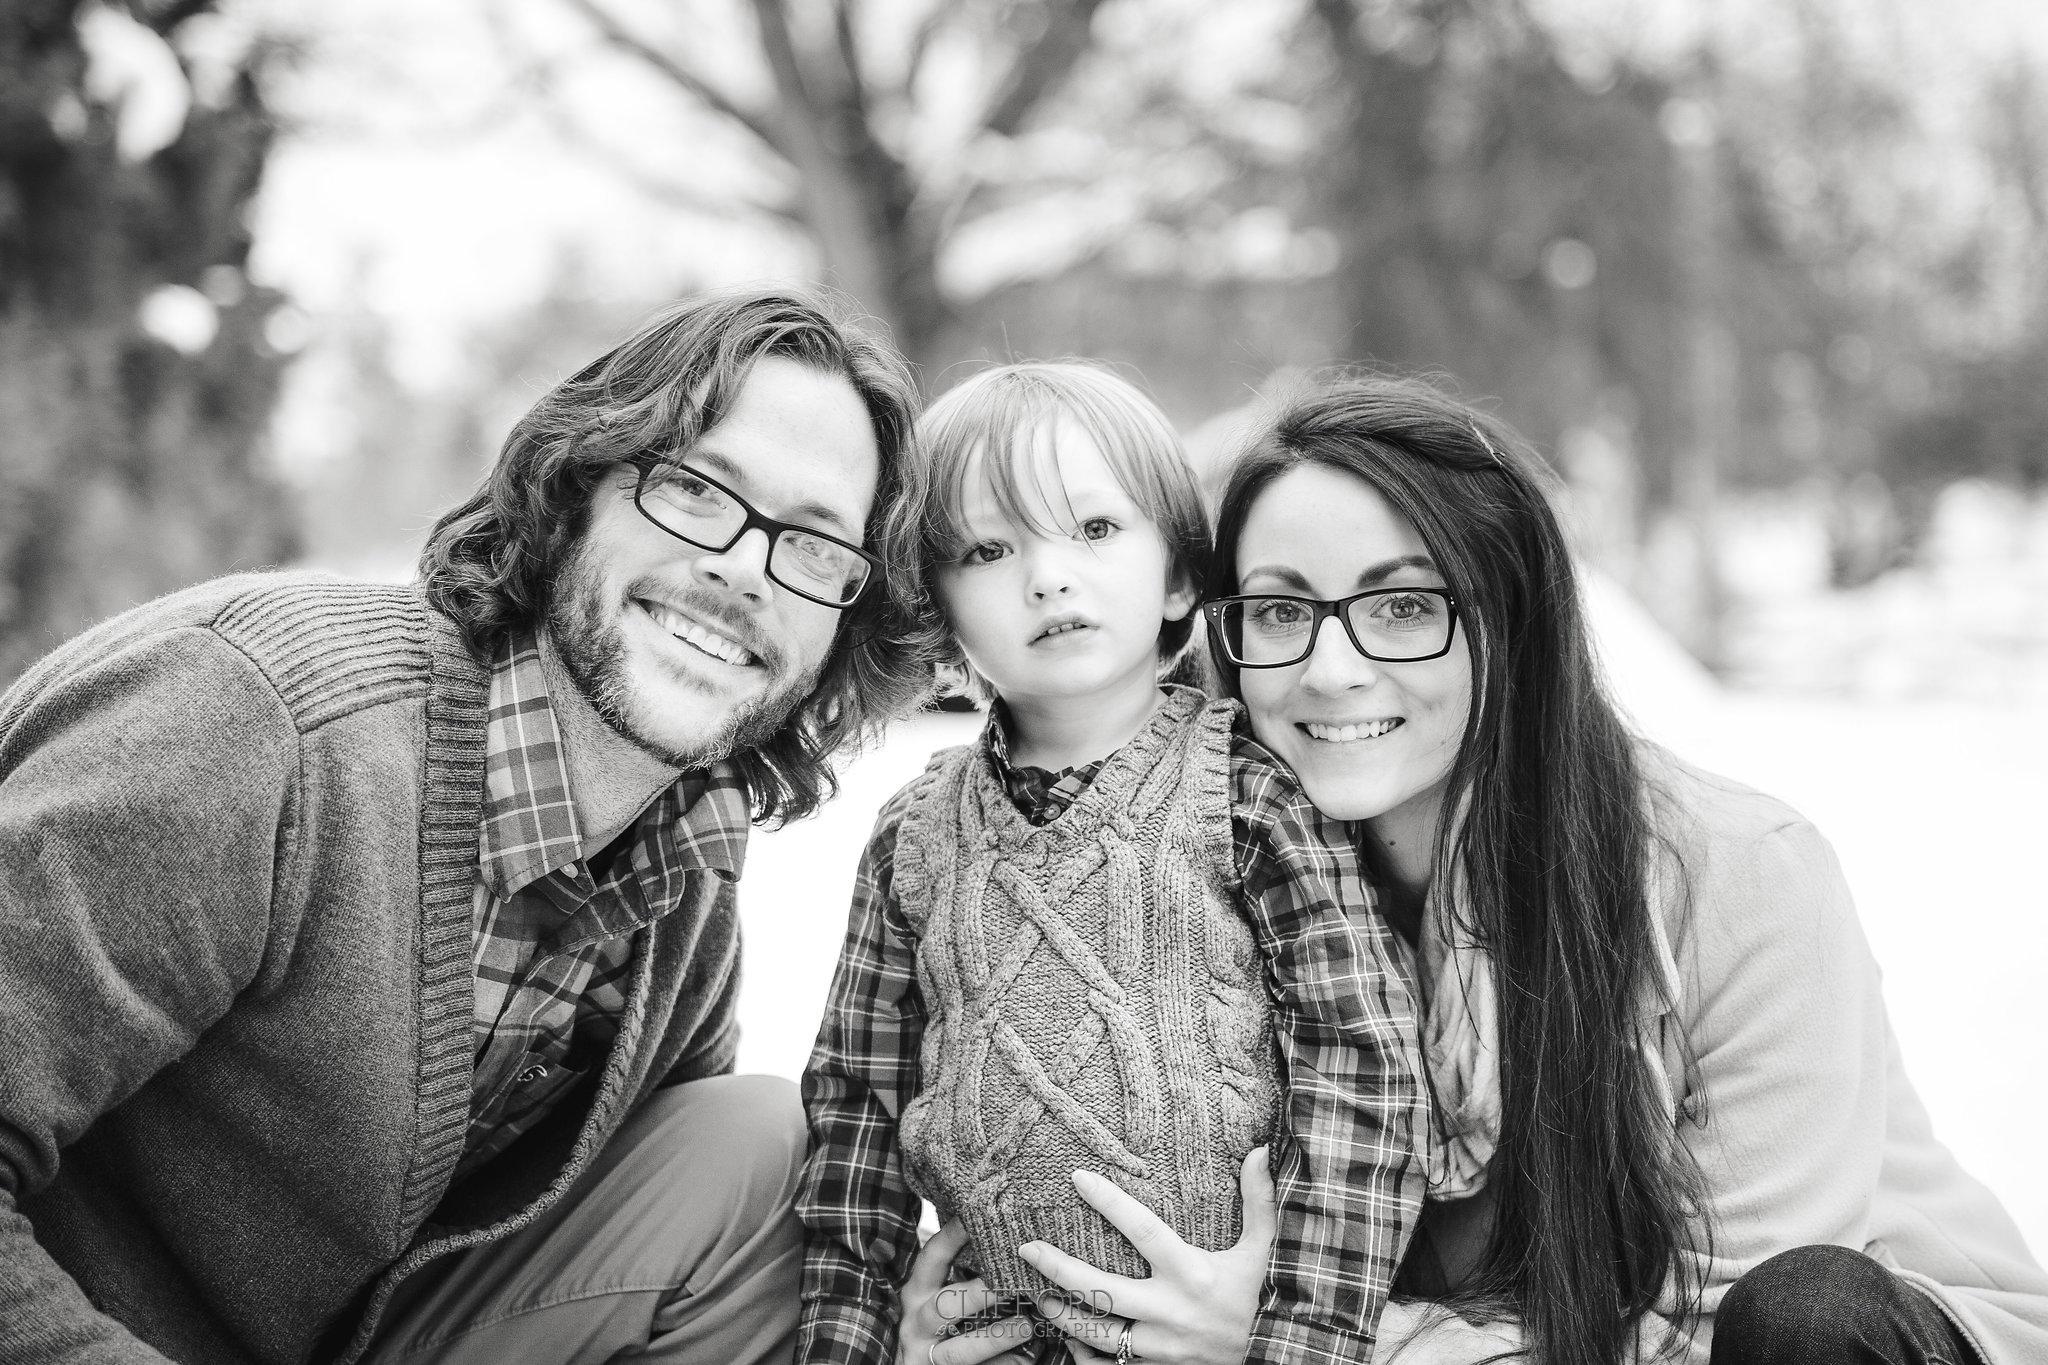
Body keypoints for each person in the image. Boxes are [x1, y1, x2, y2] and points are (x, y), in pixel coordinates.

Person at [1019, 375, 2048, 1365]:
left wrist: (1301, 1340)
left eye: (1404, 606)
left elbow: (1714, 1331)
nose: (1329, 669)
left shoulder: (1741, 877)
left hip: (1852, 1336)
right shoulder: (1220, 890)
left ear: (1509, 619)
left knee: (1801, 1317)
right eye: (1281, 612)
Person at [0, 289, 931, 1365]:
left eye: (815, 549)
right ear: (576, 487)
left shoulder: (681, 898)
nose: (742, 568)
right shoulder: (258, 727)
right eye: (697, 489)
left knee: (766, 1155)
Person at [795, 362, 1431, 1365]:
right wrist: (859, 1342)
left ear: (1179, 574)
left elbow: (1362, 1070)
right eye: (988, 549)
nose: (1046, 576)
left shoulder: (1247, 794)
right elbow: (854, 1118)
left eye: (1092, 530)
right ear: (937, 611)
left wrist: (1301, 1336)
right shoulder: (912, 837)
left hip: (1225, 1338)